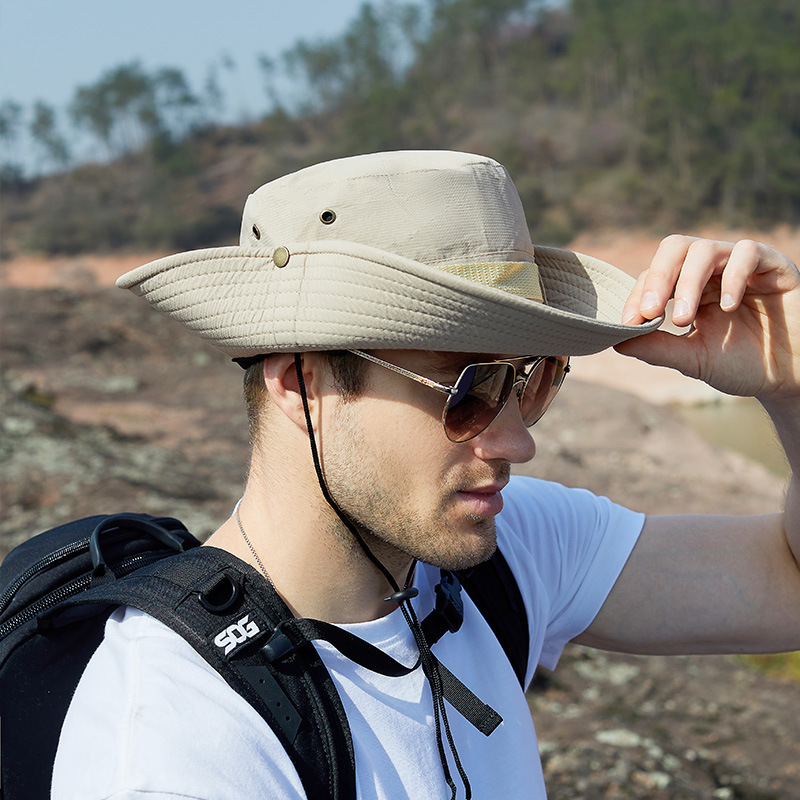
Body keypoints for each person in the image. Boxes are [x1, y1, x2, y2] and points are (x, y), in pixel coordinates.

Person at [52, 150, 800, 799]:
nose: (515, 441)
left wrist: (790, 380)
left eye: (529, 381)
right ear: (301, 383)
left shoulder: (507, 554)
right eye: (467, 384)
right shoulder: (176, 744)